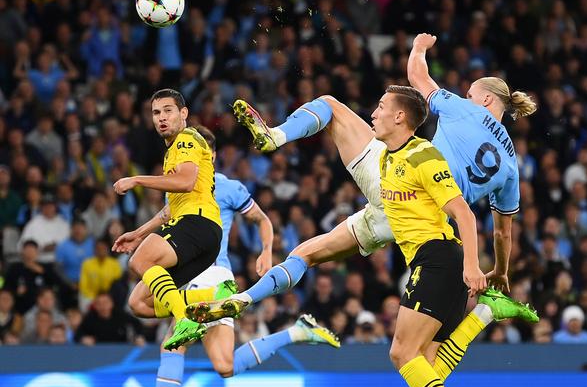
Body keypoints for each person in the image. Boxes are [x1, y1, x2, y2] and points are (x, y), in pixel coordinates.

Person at [185, 39, 538, 341]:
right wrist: (501, 271)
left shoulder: (468, 111)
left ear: (488, 101)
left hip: (401, 181)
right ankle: (245, 299)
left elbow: (418, 76)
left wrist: (418, 46)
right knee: (309, 252)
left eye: (471, 93)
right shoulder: (511, 167)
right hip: (412, 224)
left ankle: (275, 136)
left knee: (330, 106)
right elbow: (503, 233)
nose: (465, 96)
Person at [124, 126, 339, 387]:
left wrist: (267, 251)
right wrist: (139, 235)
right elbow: (165, 214)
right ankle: (298, 332)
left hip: (207, 272)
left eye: (200, 152)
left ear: (210, 156)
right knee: (224, 365)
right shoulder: (182, 190)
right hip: (206, 278)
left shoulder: (226, 187)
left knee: (169, 339)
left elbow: (263, 220)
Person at [372, 85, 483, 387]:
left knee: (401, 353)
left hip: (439, 259)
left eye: (381, 106)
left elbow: (464, 214)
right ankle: (484, 316)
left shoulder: (425, 155)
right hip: (431, 261)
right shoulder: (386, 156)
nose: (374, 113)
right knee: (428, 370)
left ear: (400, 117)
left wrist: (473, 266)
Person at [112, 89, 222, 350]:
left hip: (197, 222)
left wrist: (136, 179)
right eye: (156, 112)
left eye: (168, 110)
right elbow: (170, 210)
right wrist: (138, 233)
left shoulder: (186, 139)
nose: (161, 117)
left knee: (140, 260)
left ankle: (185, 318)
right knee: (138, 303)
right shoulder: (173, 152)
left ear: (183, 113)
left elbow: (185, 182)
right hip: (202, 232)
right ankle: (213, 296)